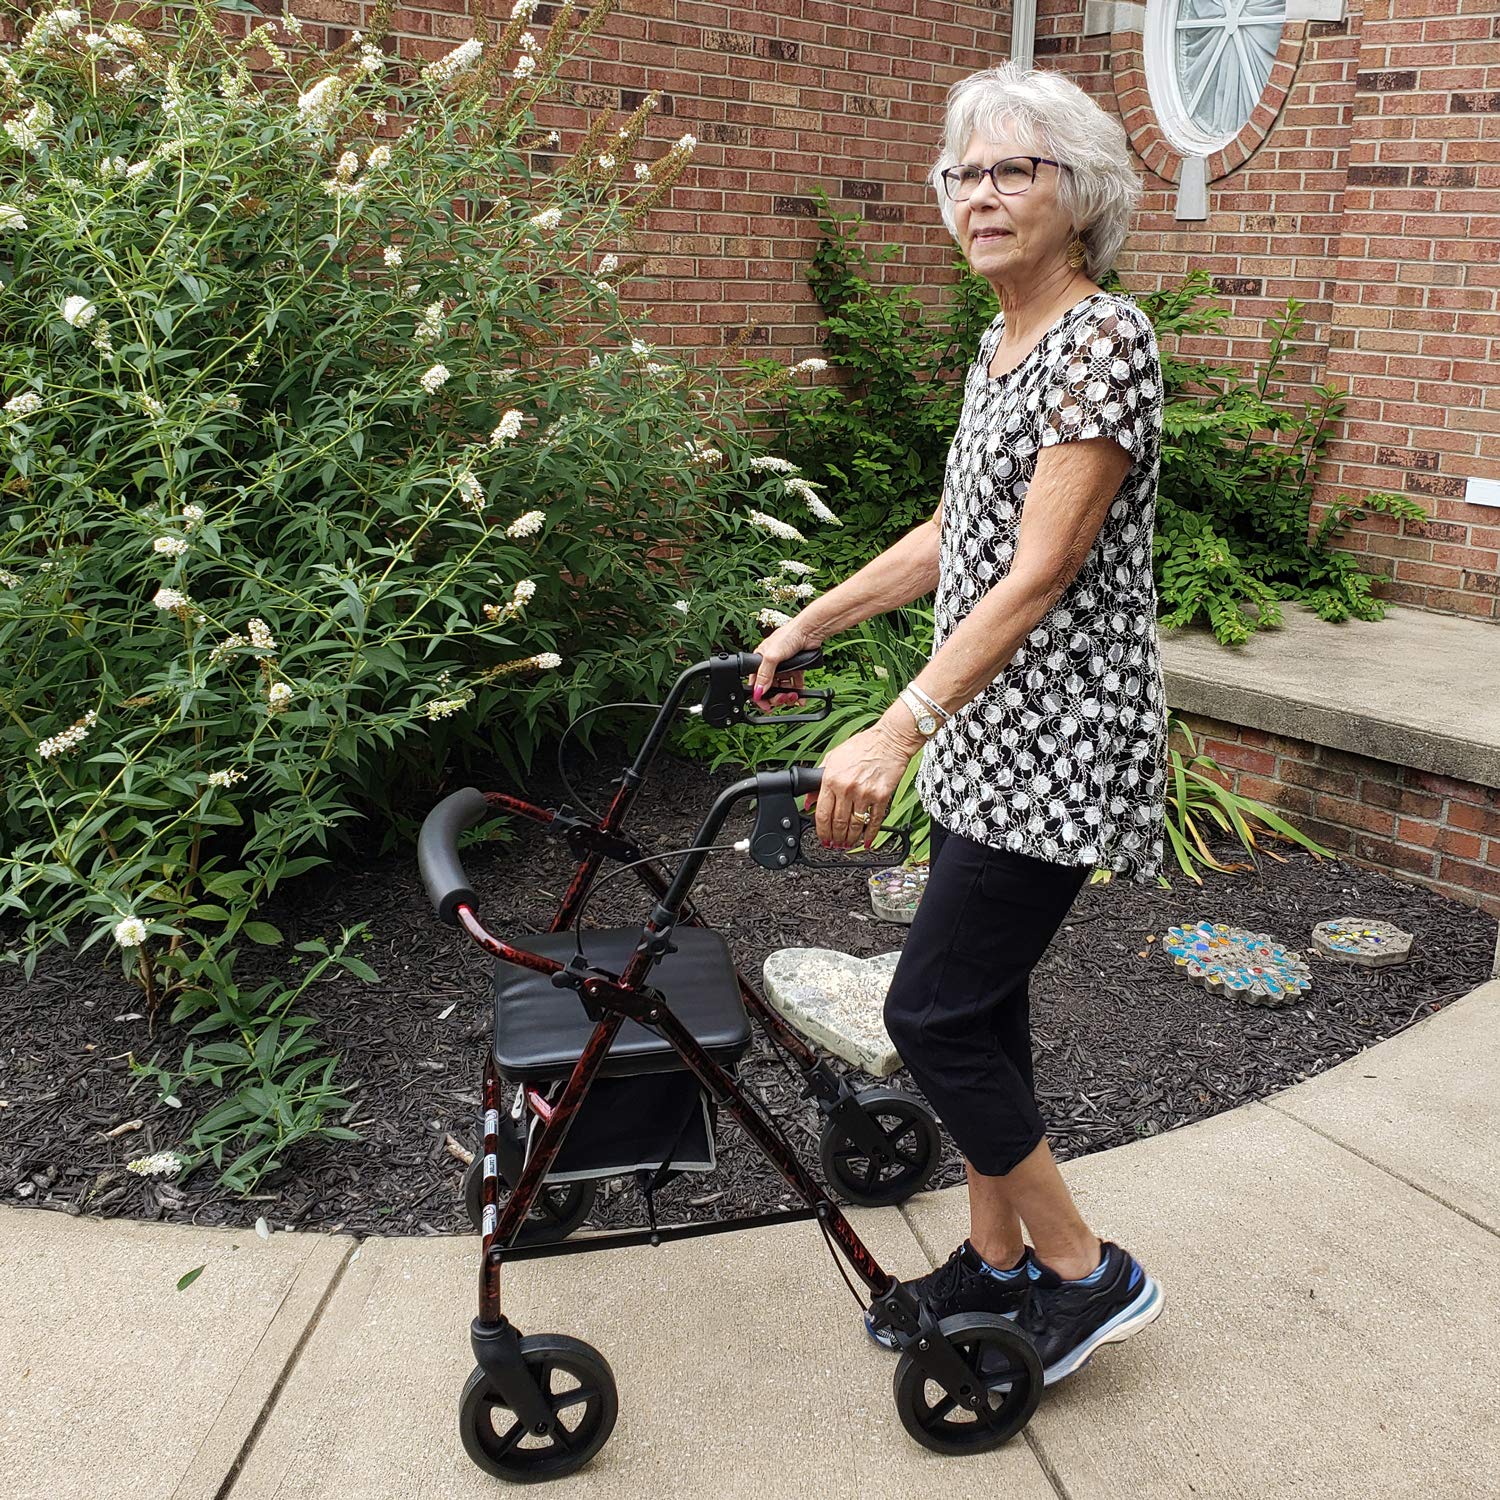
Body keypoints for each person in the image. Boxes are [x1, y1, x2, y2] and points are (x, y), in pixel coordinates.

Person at [749, 61, 1167, 1386]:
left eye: (1013, 171)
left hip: (1059, 742)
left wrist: (894, 729)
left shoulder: (1104, 338)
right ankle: (995, 1259)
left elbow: (1039, 571)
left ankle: (1084, 1274)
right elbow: (957, 538)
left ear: (1079, 193)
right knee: (979, 1012)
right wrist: (812, 618)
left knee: (930, 1014)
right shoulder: (1004, 344)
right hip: (997, 736)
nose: (980, 195)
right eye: (965, 173)